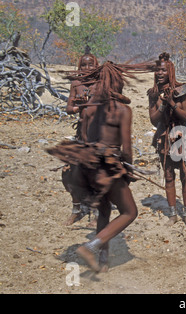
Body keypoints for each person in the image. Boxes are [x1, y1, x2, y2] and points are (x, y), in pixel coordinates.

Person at [48, 61, 155, 273]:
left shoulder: (88, 109)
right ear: (118, 84)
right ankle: (91, 247)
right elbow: (126, 148)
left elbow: (86, 140)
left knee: (104, 209)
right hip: (107, 166)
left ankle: (104, 262)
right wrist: (128, 169)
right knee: (129, 212)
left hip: (87, 164)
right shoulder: (122, 110)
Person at [148, 53, 186, 228]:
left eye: (163, 70)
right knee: (168, 175)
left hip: (181, 134)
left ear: (170, 71)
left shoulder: (180, 89)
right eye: (157, 70)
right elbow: (153, 119)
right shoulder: (153, 93)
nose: (159, 73)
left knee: (185, 174)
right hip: (164, 137)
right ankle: (173, 214)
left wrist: (172, 103)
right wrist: (163, 104)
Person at [62, 47, 100, 226]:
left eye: (90, 65)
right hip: (81, 135)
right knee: (70, 172)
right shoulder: (76, 84)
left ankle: (96, 212)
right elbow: (69, 108)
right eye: (83, 65)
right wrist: (79, 107)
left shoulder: (101, 83)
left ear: (96, 66)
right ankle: (76, 208)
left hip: (97, 134)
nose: (86, 68)